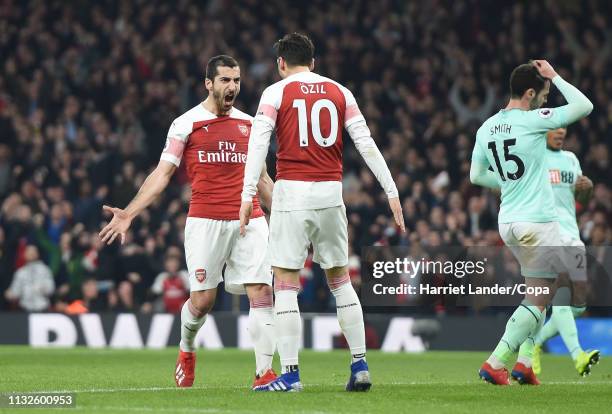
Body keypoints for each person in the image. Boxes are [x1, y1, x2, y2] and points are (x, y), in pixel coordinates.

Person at [99, 55, 277, 390]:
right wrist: (130, 212)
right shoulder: (186, 123)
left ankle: (264, 373)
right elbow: (163, 173)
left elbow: (264, 180)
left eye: (236, 80)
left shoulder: (251, 125)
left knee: (261, 290)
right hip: (205, 221)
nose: (232, 87)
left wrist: (288, 217)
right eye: (225, 80)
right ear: (208, 83)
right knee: (203, 301)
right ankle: (186, 349)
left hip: (249, 218)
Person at [240, 33, 404, 392]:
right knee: (340, 280)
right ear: (313, 62)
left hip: (291, 195)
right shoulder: (340, 91)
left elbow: (257, 148)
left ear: (280, 63)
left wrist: (246, 195)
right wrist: (391, 191)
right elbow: (366, 144)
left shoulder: (275, 93)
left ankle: (291, 374)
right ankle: (360, 364)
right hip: (331, 194)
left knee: (284, 283)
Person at [470, 60, 593, 385]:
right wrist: (555, 75)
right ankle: (497, 362)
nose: (545, 100)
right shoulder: (533, 121)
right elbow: (584, 105)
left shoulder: (486, 128)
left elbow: (475, 175)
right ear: (529, 93)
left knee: (539, 293)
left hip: (509, 221)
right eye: (543, 94)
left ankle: (525, 362)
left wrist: (510, 183)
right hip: (538, 221)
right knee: (549, 293)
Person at [531, 127, 600, 376]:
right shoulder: (536, 156)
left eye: (563, 130)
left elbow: (581, 196)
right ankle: (579, 356)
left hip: (572, 234)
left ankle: (535, 342)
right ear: (545, 133)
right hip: (549, 234)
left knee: (578, 305)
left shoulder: (571, 159)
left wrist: (587, 186)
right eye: (555, 131)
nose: (560, 134)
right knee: (561, 298)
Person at [5, 244, 55, 311]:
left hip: (42, 309)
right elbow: (15, 292)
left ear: (37, 254)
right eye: (29, 252)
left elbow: (51, 289)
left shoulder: (45, 270)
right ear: (24, 254)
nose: (31, 254)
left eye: (33, 252)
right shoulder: (20, 272)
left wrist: (41, 288)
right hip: (24, 310)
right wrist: (10, 294)